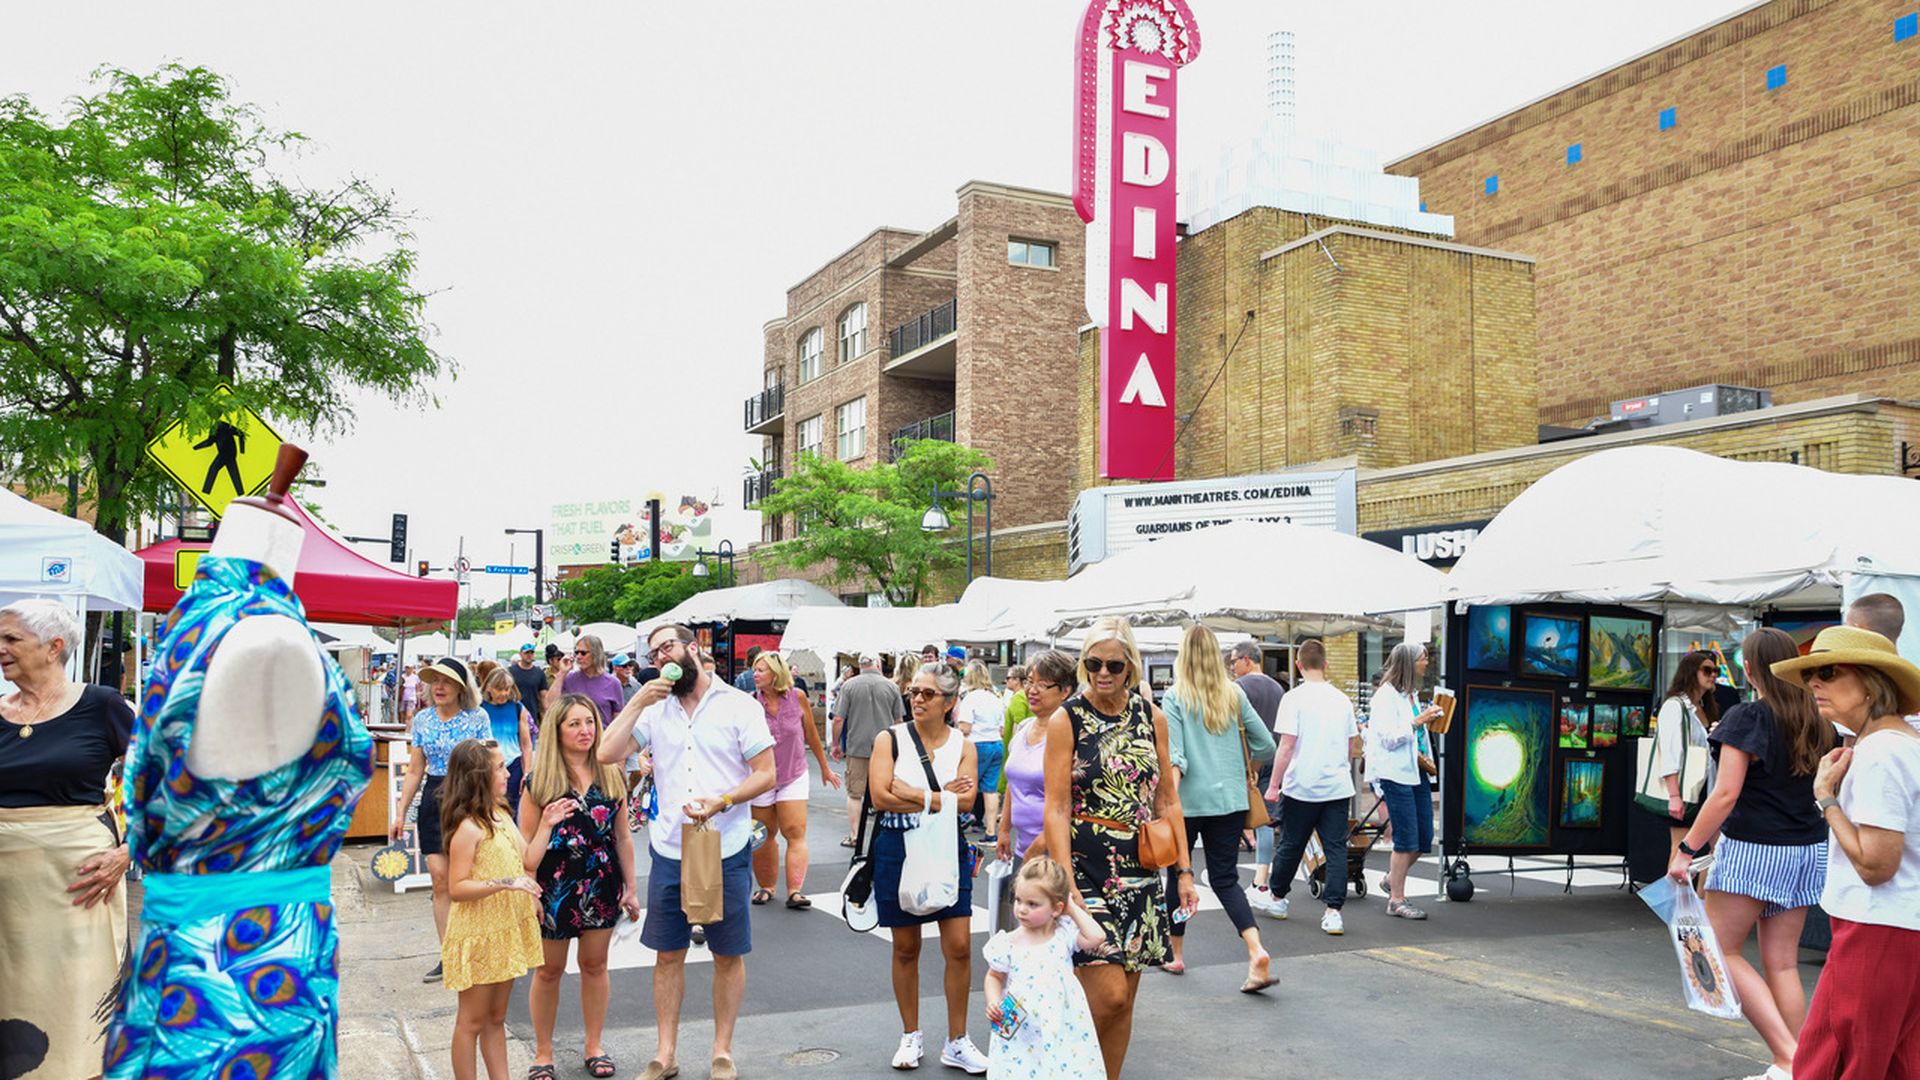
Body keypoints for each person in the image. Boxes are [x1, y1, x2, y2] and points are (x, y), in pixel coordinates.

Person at [600, 624, 775, 1080]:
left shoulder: (739, 705)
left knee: (727, 953)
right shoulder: (655, 710)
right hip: (671, 847)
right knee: (667, 953)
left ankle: (722, 1051)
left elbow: (766, 773)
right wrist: (637, 699)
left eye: (668, 647)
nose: (662, 658)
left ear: (692, 649)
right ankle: (666, 1052)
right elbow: (607, 753)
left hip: (727, 844)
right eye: (655, 653)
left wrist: (724, 800)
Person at [1665, 628, 1833, 1080]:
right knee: (1782, 962)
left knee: (1720, 950)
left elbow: (1724, 796)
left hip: (1754, 848)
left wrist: (1686, 849)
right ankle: (1802, 1065)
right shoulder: (1821, 722)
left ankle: (1787, 1057)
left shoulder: (1748, 718)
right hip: (1807, 848)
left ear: (1754, 669)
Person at [1043, 617, 1197, 1080]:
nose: (1102, 672)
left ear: (1130, 666)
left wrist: (1184, 872)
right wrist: (1064, 879)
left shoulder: (1152, 717)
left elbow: (1168, 798)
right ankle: (1055, 1066)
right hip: (1087, 864)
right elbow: (1056, 807)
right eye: (1093, 663)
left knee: (1126, 999)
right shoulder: (1066, 718)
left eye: (1113, 664)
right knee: (1106, 993)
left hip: (1141, 866)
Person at [1771, 626, 1920, 1078]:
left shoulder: (1880, 752)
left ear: (1873, 683)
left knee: (1834, 1060)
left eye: (1829, 672)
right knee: (1892, 1060)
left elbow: (1876, 865)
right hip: (1899, 927)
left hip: (1876, 925)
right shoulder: (1903, 745)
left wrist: (1826, 799)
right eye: (1812, 672)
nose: (1814, 682)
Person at [0, 599, 134, 1080]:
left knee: (78, 1008)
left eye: (11, 639)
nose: (1, 649)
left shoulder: (101, 706)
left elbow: (166, 781)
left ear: (53, 647)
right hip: (7, 895)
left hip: (78, 885)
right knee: (11, 1002)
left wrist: (129, 851)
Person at [867, 664, 988, 1073]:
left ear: (950, 703)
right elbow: (881, 797)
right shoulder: (891, 739)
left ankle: (957, 1039)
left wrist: (911, 793)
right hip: (897, 847)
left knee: (959, 945)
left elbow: (969, 803)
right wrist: (939, 797)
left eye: (928, 694)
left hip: (946, 848)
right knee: (906, 947)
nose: (917, 699)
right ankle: (910, 1033)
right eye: (914, 691)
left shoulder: (963, 745)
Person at [519, 694, 638, 1080]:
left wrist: (631, 888)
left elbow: (623, 837)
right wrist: (531, 892)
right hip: (554, 884)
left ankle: (594, 1045)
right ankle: (543, 1051)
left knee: (595, 965)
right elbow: (524, 846)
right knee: (549, 970)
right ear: (557, 730)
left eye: (589, 722)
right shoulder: (538, 781)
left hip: (601, 881)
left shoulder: (611, 773)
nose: (585, 730)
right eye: (574, 723)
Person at [1160, 624, 1277, 989]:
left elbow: (1177, 756)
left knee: (1178, 875)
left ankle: (1176, 955)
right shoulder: (1233, 694)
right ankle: (1255, 950)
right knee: (1226, 879)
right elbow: (1266, 746)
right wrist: (1250, 771)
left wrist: (1165, 801)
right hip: (1229, 801)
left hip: (1189, 802)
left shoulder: (1175, 696)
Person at [440, 739, 544, 1080]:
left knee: (496, 1018)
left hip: (505, 928)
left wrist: (547, 823)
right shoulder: (468, 828)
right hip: (479, 933)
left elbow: (527, 859)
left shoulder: (500, 815)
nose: (507, 771)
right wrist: (505, 883)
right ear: (478, 775)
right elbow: (457, 888)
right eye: (499, 767)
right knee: (471, 1021)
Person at [391, 657, 493, 981]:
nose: (438, 686)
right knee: (439, 879)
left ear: (461, 686)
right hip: (434, 797)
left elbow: (490, 762)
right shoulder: (421, 720)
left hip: (468, 796)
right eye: (434, 680)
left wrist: (493, 805)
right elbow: (416, 769)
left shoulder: (478, 717)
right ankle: (450, 955)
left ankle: (477, 950)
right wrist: (400, 813)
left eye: (446, 680)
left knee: (468, 878)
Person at [1263, 639, 1361, 935]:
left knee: (1291, 843)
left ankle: (1278, 897)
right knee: (1335, 848)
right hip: (1336, 786)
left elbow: (1286, 746)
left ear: (1298, 665)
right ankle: (1333, 912)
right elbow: (1350, 746)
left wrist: (1274, 785)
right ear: (1326, 664)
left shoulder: (1293, 698)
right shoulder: (1342, 700)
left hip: (1301, 785)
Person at [981, 857, 1107, 1080]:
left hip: (1060, 1023)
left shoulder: (1064, 935)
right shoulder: (1007, 943)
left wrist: (1072, 907)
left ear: (1056, 908)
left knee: (1060, 1070)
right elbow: (994, 976)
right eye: (1018, 900)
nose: (1021, 909)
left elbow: (1097, 937)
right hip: (1021, 1028)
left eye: (1033, 904)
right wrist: (993, 1000)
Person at [748, 651, 840, 908]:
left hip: (793, 773)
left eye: (761, 670)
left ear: (776, 674)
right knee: (763, 834)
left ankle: (795, 891)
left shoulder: (797, 698)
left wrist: (824, 768)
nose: (755, 674)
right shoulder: (750, 704)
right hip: (761, 776)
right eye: (755, 669)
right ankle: (766, 887)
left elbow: (811, 734)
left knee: (794, 832)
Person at [1366, 642, 1440, 920]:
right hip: (1395, 772)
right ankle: (1396, 899)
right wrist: (1418, 721)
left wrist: (1427, 719)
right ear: (1409, 663)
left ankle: (1391, 879)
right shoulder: (1385, 696)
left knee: (1423, 838)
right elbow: (1388, 736)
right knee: (1406, 837)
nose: (1426, 663)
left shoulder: (1411, 694)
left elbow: (1412, 733)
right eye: (1422, 658)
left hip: (1415, 770)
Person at [996, 651, 1078, 863]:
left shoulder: (1070, 736)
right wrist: (1004, 829)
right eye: (1029, 682)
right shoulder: (1023, 728)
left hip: (1054, 853)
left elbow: (1071, 805)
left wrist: (1038, 848)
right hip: (1022, 849)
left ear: (1065, 691)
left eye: (1043, 684)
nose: (1032, 690)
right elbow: (1014, 786)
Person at [1228, 641, 1286, 911]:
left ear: (1247, 660)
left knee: (1233, 819)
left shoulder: (1238, 689)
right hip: (1273, 760)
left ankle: (1244, 880)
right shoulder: (1278, 688)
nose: (1231, 667)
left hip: (1246, 761)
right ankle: (1261, 879)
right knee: (1264, 820)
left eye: (1234, 661)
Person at [1651, 651, 1721, 865]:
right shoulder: (1675, 706)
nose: (1713, 675)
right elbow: (1670, 753)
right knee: (1681, 849)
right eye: (1707, 670)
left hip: (1707, 787)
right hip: (1685, 788)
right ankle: (1674, 899)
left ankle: (1704, 898)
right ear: (1691, 672)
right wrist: (1674, 795)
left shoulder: (1703, 707)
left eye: (1715, 671)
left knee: (1717, 849)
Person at [831, 653, 903, 848]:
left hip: (858, 746)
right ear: (878, 664)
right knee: (889, 790)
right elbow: (899, 721)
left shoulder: (848, 686)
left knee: (855, 792)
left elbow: (838, 719)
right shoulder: (892, 686)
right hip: (886, 746)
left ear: (860, 665)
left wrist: (836, 744)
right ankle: (887, 832)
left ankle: (855, 836)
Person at [958, 660, 1008, 843]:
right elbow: (1002, 729)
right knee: (990, 789)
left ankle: (965, 817)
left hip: (977, 745)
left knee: (966, 784)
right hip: (996, 743)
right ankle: (991, 832)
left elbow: (965, 727)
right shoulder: (995, 697)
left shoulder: (970, 698)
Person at [479, 668, 535, 809]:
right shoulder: (480, 709)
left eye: (507, 689)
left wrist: (527, 772)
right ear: (489, 688)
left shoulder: (517, 708)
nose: (504, 693)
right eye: (499, 689)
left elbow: (526, 744)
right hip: (486, 767)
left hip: (513, 767)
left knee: (512, 809)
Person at [564, 635, 624, 728]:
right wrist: (561, 673)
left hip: (603, 738)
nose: (579, 657)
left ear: (596, 653)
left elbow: (618, 717)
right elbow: (550, 705)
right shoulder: (569, 679)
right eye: (577, 653)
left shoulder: (613, 683)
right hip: (575, 737)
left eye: (583, 653)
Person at [510, 642, 550, 723]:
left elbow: (543, 698)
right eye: (526, 652)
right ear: (520, 654)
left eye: (532, 652)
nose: (529, 655)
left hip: (532, 715)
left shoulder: (539, 673)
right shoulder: (511, 671)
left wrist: (545, 719)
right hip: (513, 714)